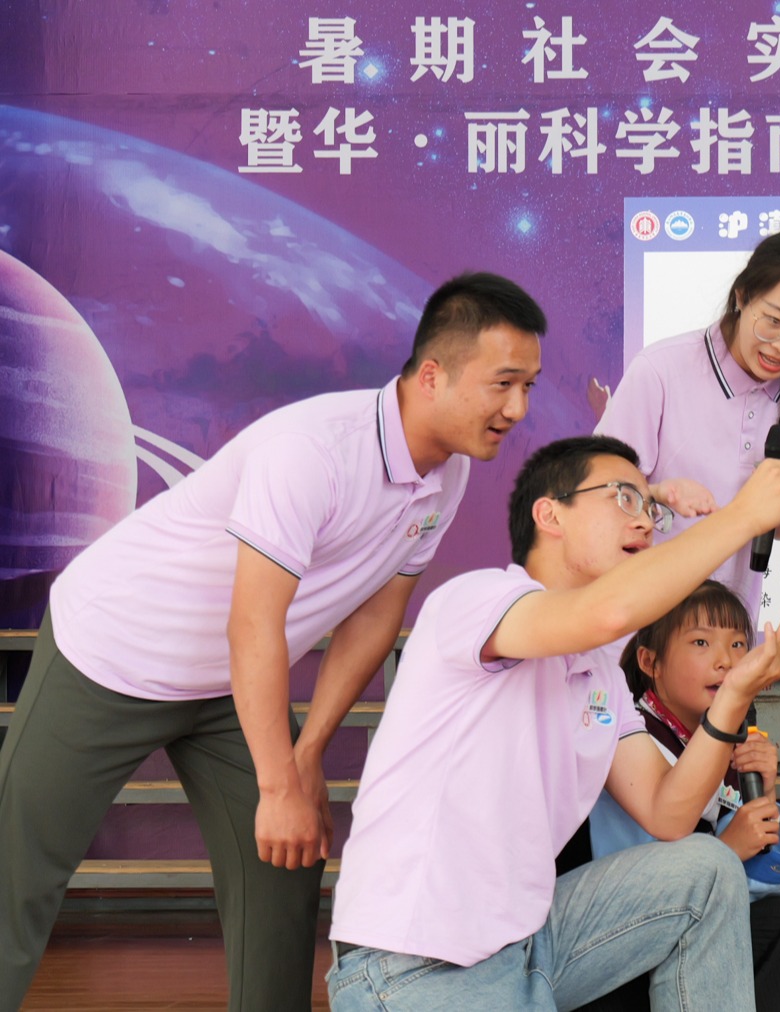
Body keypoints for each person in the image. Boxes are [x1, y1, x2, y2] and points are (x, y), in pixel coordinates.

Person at [0, 272, 546, 1011]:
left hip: (229, 683)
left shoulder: (444, 475)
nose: (518, 409)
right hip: (112, 650)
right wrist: (278, 782)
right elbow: (252, 623)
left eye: (528, 387)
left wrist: (308, 754)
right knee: (16, 877)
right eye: (503, 384)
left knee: (286, 858)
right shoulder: (312, 450)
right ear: (431, 375)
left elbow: (374, 616)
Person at [325, 435, 780, 1011]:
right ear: (550, 514)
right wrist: (744, 516)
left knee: (707, 869)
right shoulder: (476, 600)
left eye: (650, 507)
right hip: (413, 965)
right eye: (624, 498)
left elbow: (669, 813)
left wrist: (732, 697)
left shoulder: (599, 674)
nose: (646, 522)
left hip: (529, 946)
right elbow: (608, 612)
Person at [575, 580, 780, 1012]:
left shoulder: (726, 743)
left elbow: (773, 885)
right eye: (701, 642)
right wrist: (726, 849)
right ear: (650, 662)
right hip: (622, 937)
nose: (725, 660)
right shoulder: (633, 738)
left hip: (701, 916)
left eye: (738, 644)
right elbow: (632, 886)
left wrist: (764, 794)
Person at [596, 227, 780, 625]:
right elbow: (599, 496)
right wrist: (658, 493)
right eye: (774, 321)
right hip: (641, 618)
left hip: (729, 629)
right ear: (742, 296)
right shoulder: (661, 370)